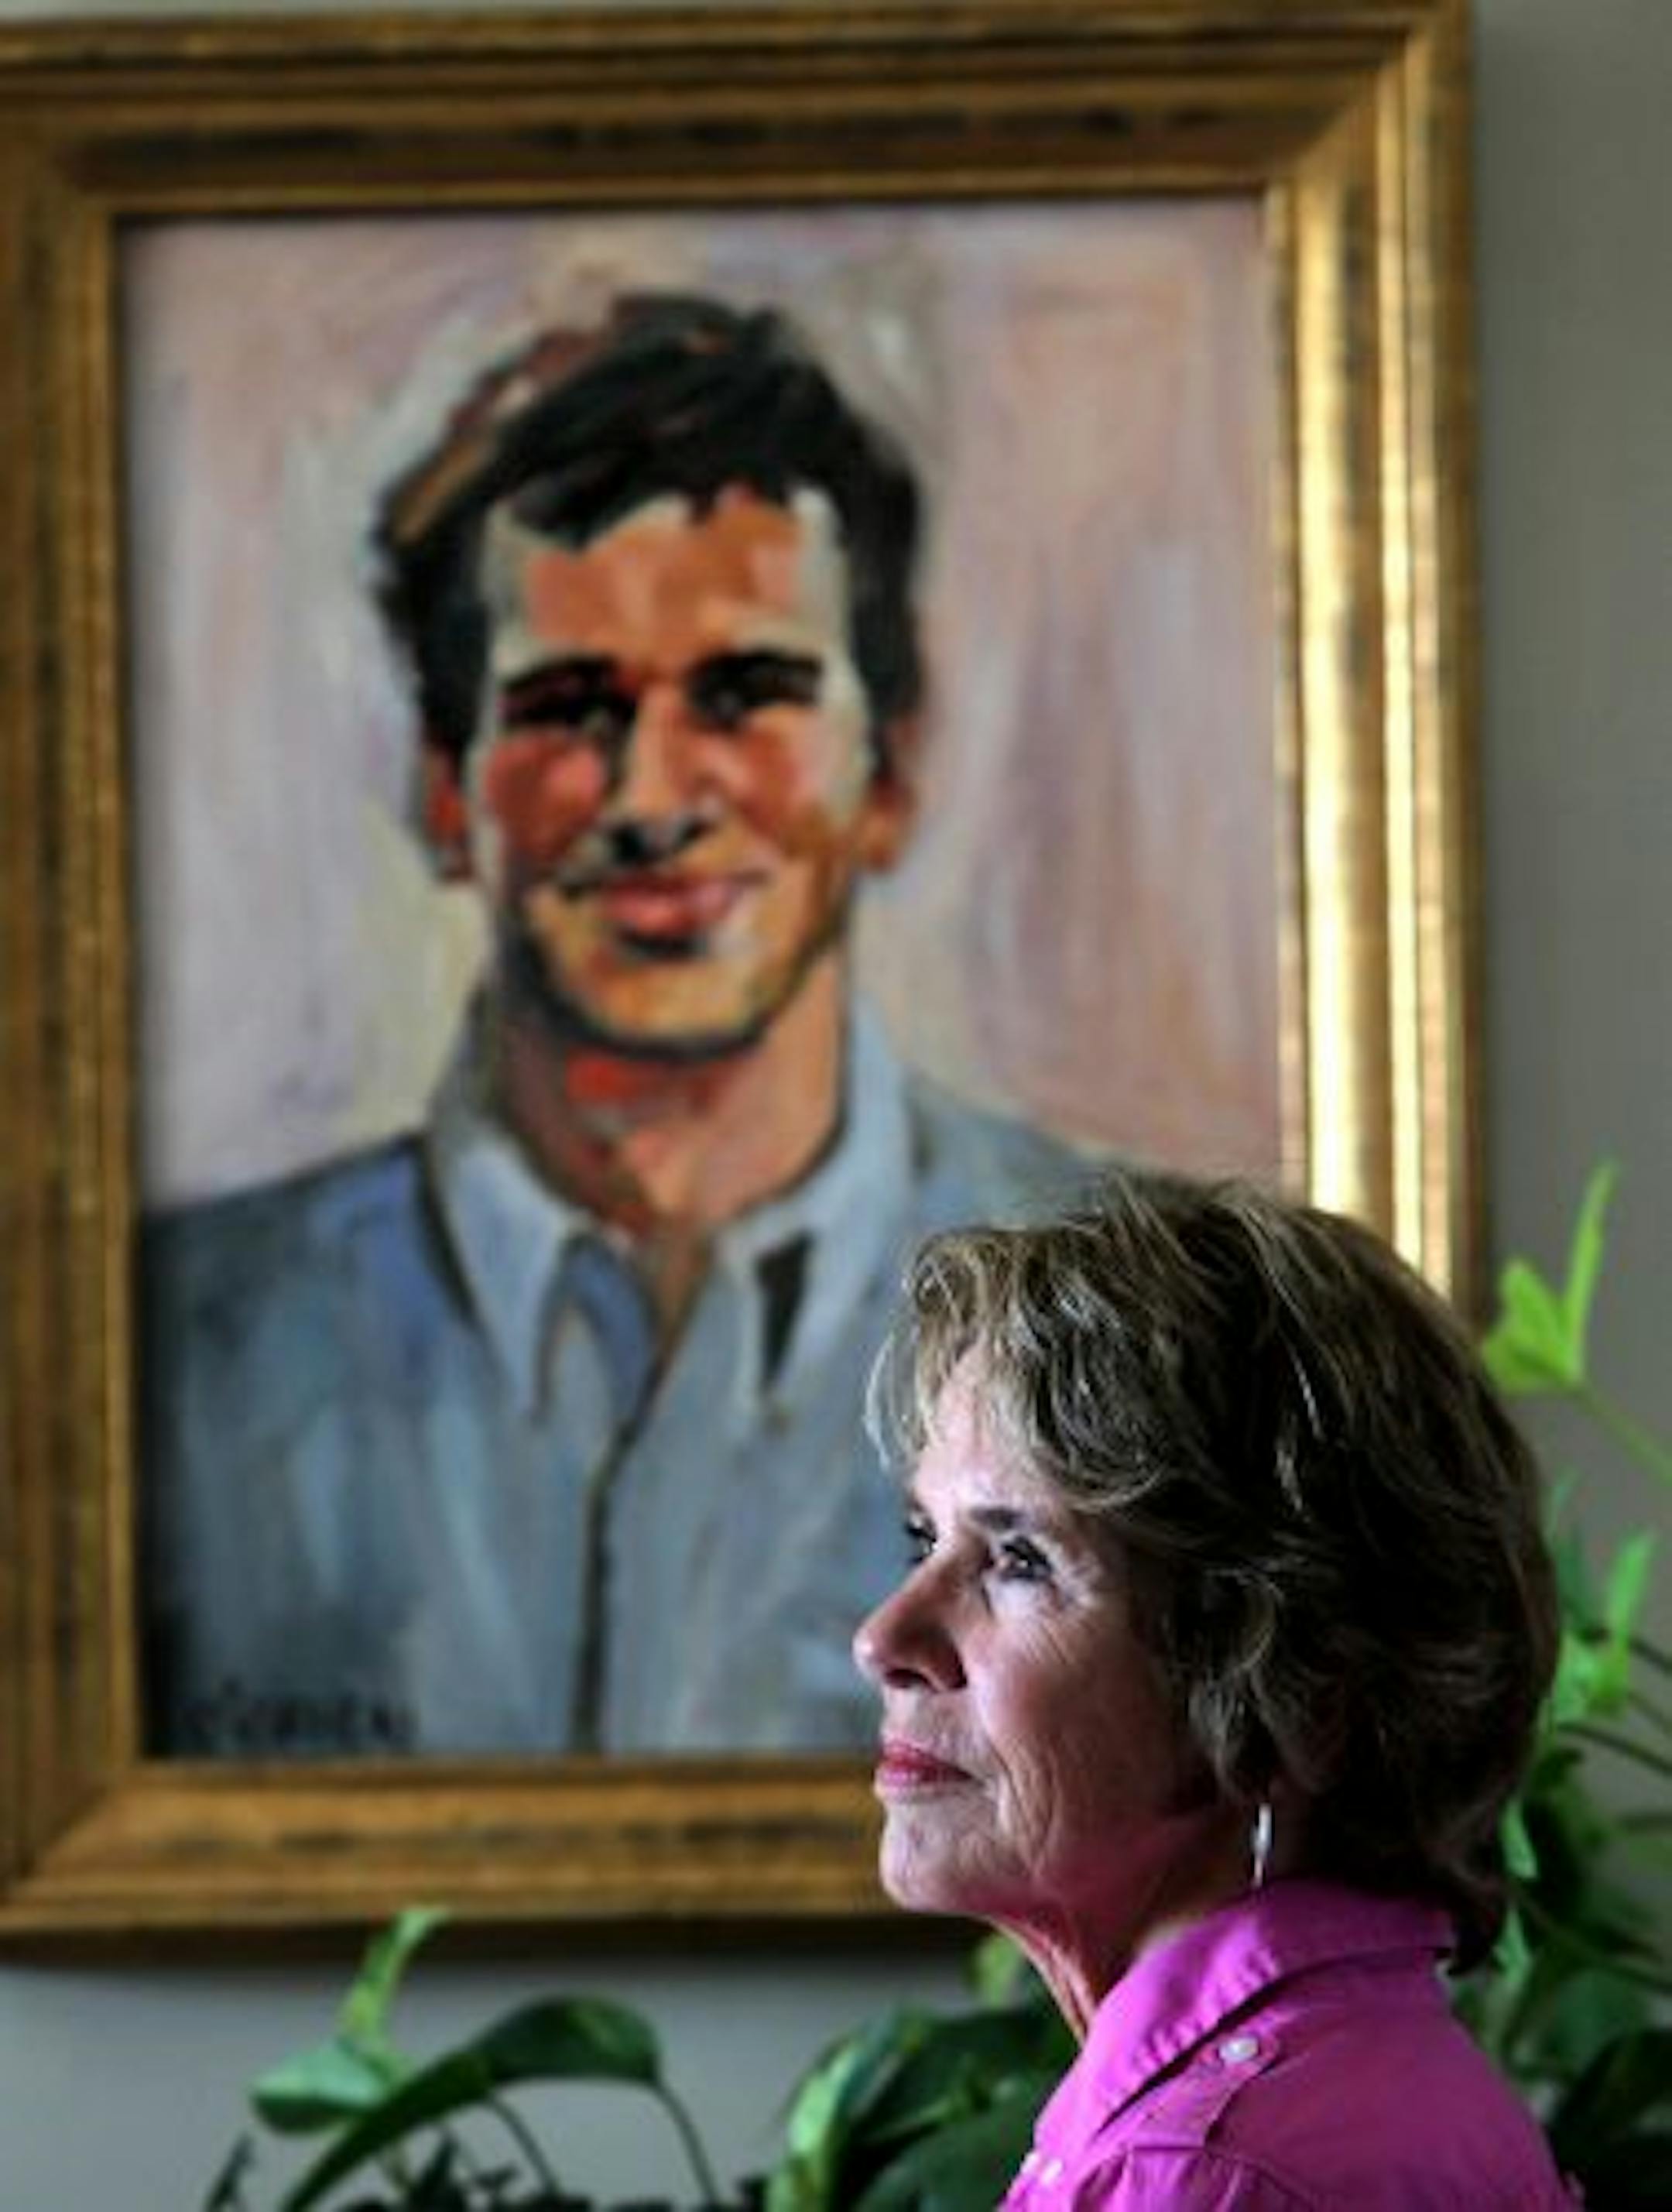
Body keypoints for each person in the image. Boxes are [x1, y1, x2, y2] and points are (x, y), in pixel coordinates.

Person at [139, 293, 1082, 1760]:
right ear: (447, 793)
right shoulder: (172, 1356)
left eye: (746, 692)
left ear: (886, 772)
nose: (650, 796)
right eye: (571, 706)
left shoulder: (1120, 1309)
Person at [854, 1170, 1578, 2208]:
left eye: (1020, 1559)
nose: (885, 1636)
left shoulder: (1202, 2170)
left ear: (1294, 1680)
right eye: (925, 1536)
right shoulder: (1344, 2068)